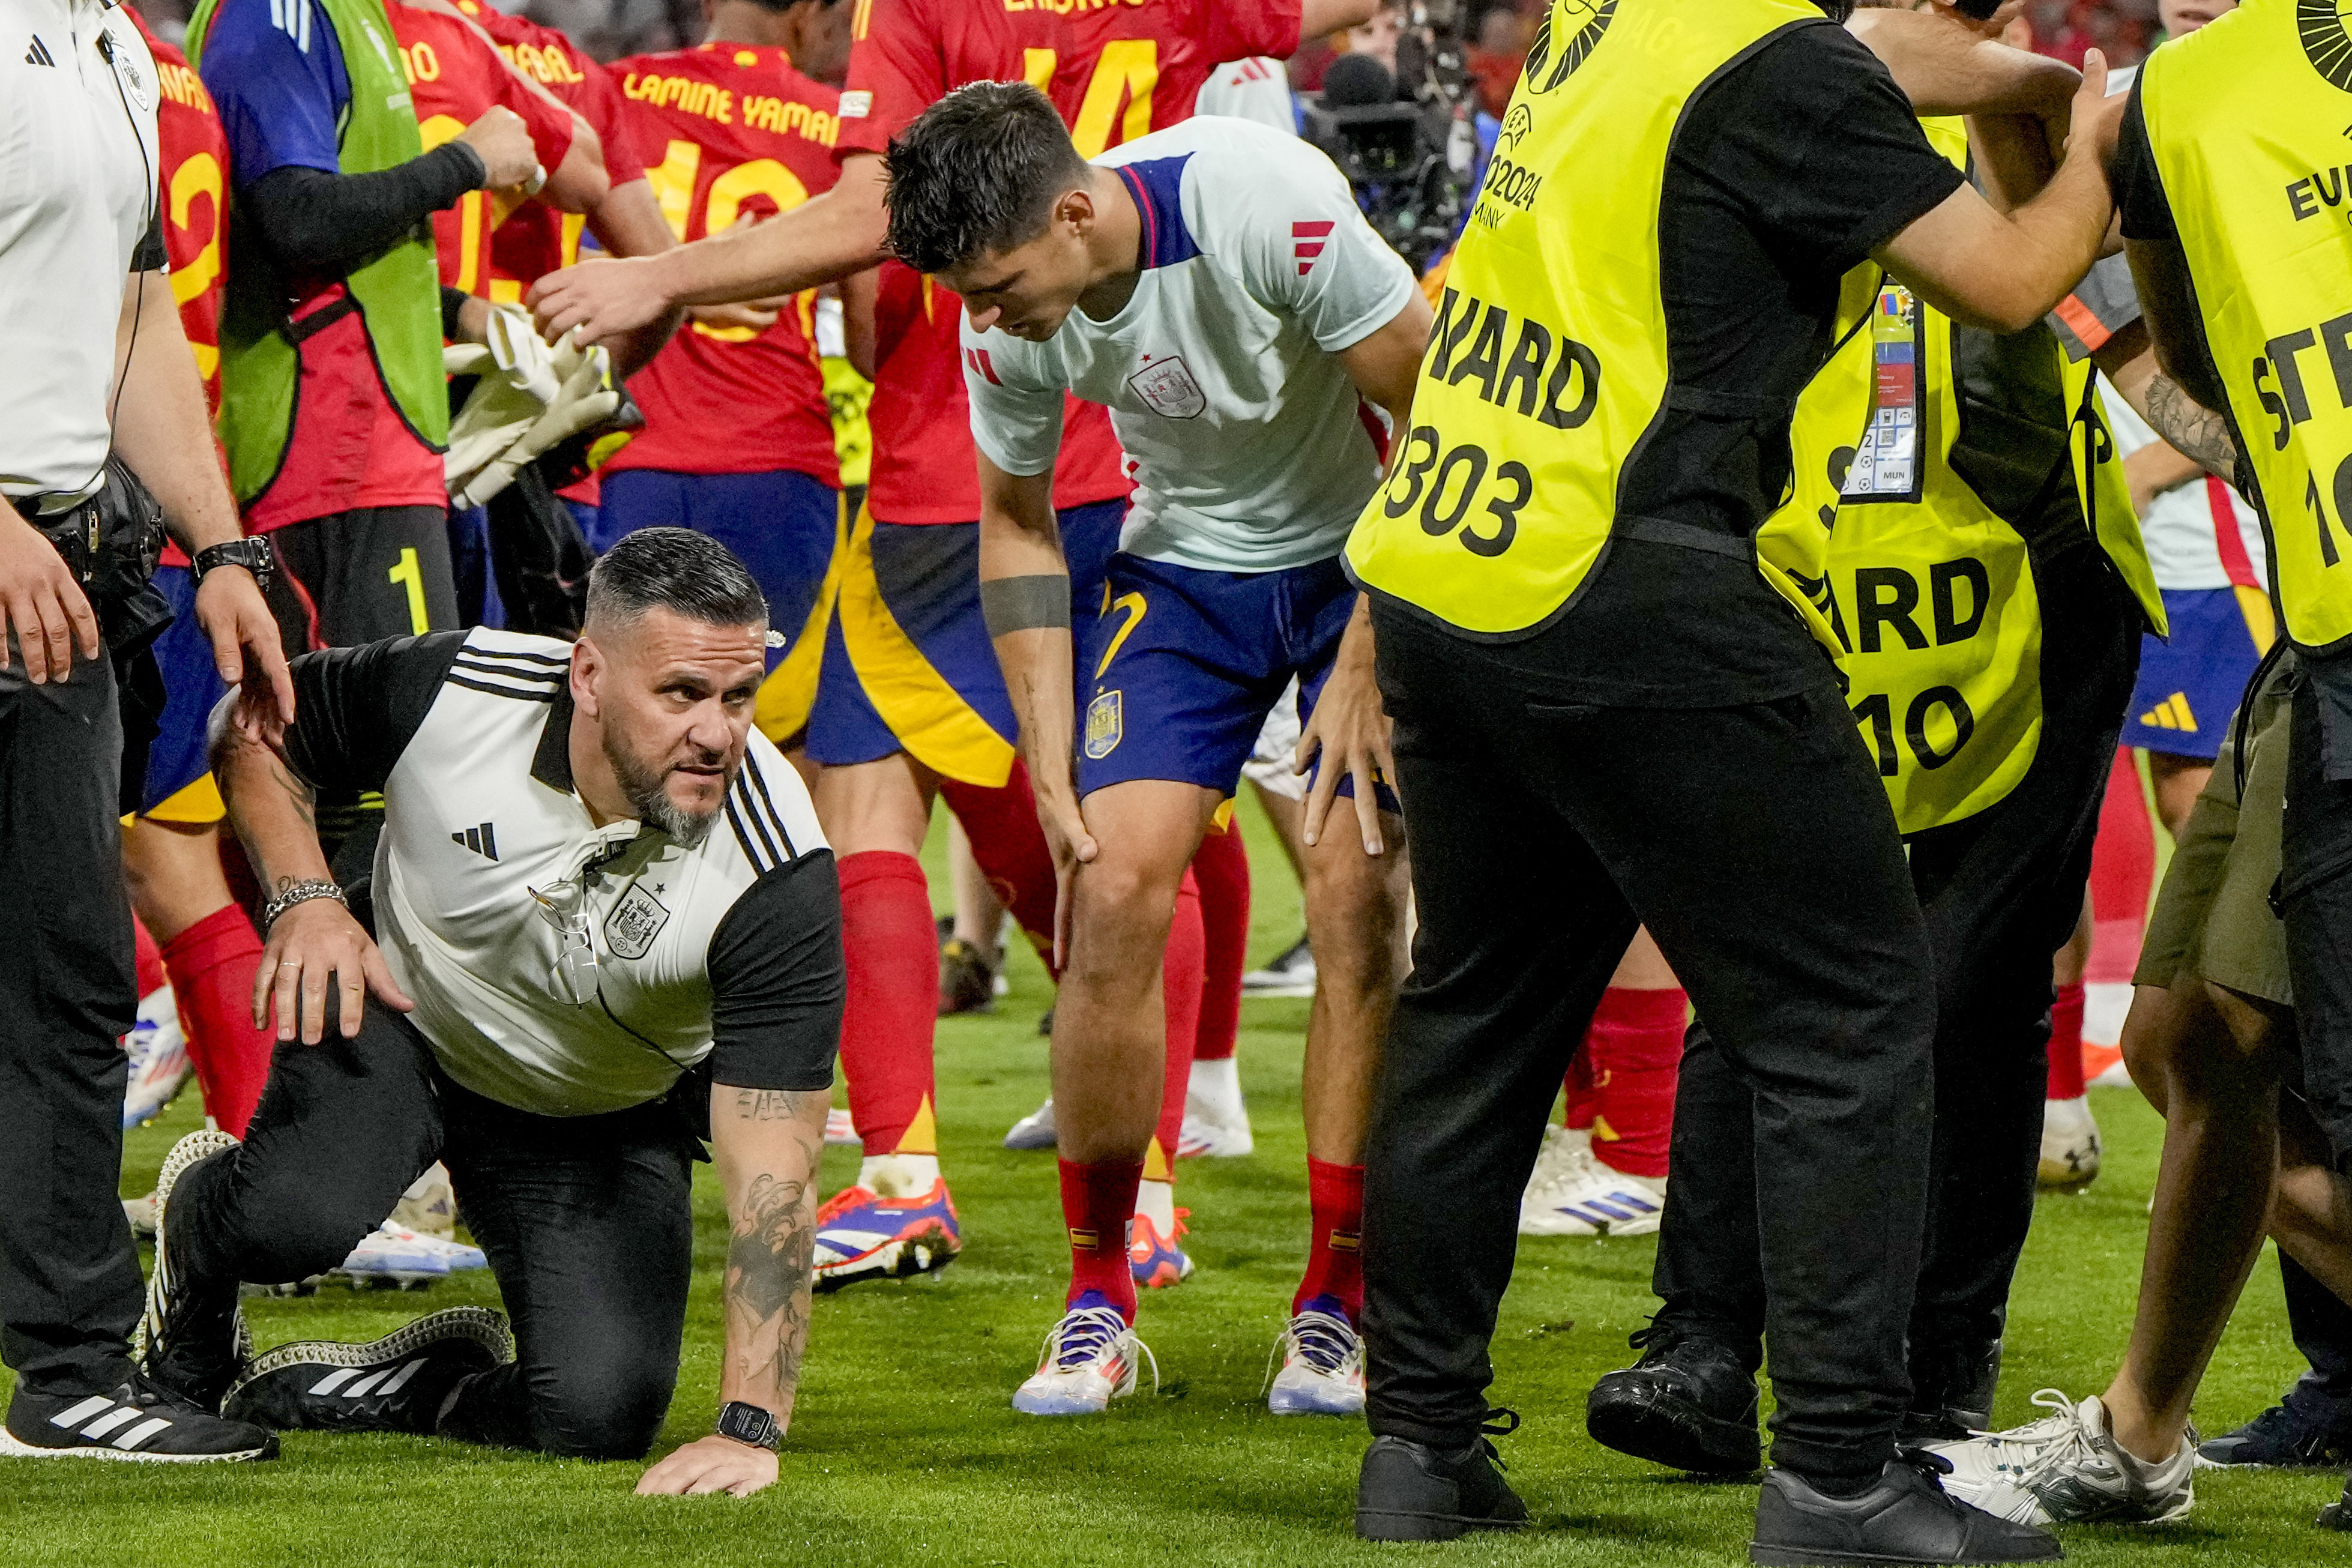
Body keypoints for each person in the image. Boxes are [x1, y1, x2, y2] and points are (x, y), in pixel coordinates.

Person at [1340, 0, 2125, 1555]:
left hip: (1446, 570)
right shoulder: (1784, 67)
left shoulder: (1611, 30)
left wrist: (2019, 77)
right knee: (1848, 1009)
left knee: (1475, 1020)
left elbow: (1869, 68)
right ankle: (1837, 1472)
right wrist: (2098, 140)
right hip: (1632, 580)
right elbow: (2012, 276)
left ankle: (1415, 1446)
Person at [531, 0, 1375, 1297]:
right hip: (1066, 471)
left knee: (1110, 848)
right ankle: (1029, 1180)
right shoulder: (1156, 49)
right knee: (1048, 838)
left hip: (963, 455)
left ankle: (1157, 1188)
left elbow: (873, 229)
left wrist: (663, 273)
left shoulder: (931, 21)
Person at [1587, 44, 2161, 1479]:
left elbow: (2043, 282)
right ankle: (1702, 1341)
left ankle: (1934, 1367)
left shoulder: (1994, 115)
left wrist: (2027, 97)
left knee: (1973, 991)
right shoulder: (1736, 101)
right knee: (1753, 969)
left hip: (2023, 614)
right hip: (1802, 597)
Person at [889, 81, 1426, 1419]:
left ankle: (1335, 1309)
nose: (991, 314)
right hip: (1183, 574)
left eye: (1003, 281)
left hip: (1365, 556)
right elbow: (1015, 520)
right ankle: (1097, 1300)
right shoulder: (1005, 314)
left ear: (1075, 211)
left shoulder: (1264, 201)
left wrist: (1366, 659)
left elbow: (1437, 418)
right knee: (1113, 888)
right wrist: (1049, 741)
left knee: (1356, 900)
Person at [139, 528, 843, 1495]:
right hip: (399, 1015)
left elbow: (777, 1179)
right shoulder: (455, 690)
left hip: (592, 1109)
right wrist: (304, 899)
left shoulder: (778, 870)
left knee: (597, 1417)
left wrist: (749, 1429)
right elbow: (254, 730)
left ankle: (417, 1387)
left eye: (737, 697)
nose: (718, 734)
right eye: (680, 694)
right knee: (287, 1220)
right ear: (588, 674)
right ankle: (203, 1236)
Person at [1932, 0, 2352, 1527]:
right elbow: (2212, 398)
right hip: (2308, 635)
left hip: (2322, 650)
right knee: (2181, 1035)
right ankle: (2137, 1431)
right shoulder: (2202, 103)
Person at [0, 0, 289, 1463]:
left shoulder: (113, 41)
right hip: (7, 543)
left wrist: (221, 549)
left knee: (62, 980)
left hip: (60, 569)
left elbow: (138, 320)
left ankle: (63, 1373)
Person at [595, 0, 858, 758]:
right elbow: (871, 339)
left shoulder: (616, 90)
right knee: (766, 745)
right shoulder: (841, 126)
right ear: (811, 11)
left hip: (628, 456)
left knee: (619, 734)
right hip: (781, 474)